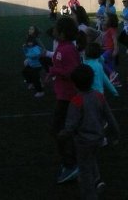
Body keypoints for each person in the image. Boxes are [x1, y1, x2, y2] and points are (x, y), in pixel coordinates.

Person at [60, 64, 120, 199]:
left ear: (74, 84)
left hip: (82, 142)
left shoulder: (76, 101)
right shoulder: (99, 96)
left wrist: (63, 135)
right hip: (98, 138)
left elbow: (71, 126)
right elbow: (110, 118)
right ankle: (97, 180)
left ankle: (90, 194)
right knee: (92, 158)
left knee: (84, 170)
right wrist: (116, 134)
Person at [48, 16, 80, 184]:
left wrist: (56, 71)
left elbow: (73, 72)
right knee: (66, 130)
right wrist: (53, 71)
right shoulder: (62, 47)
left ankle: (71, 164)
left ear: (62, 33)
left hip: (68, 97)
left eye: (56, 29)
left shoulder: (67, 50)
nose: (53, 31)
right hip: (63, 95)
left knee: (58, 131)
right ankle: (74, 160)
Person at [101, 13, 119, 84]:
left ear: (110, 20)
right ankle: (116, 81)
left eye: (106, 18)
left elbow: (115, 40)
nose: (104, 19)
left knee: (100, 60)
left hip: (110, 49)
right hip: (108, 49)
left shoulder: (111, 29)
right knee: (110, 65)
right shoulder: (109, 29)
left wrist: (115, 49)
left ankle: (112, 73)